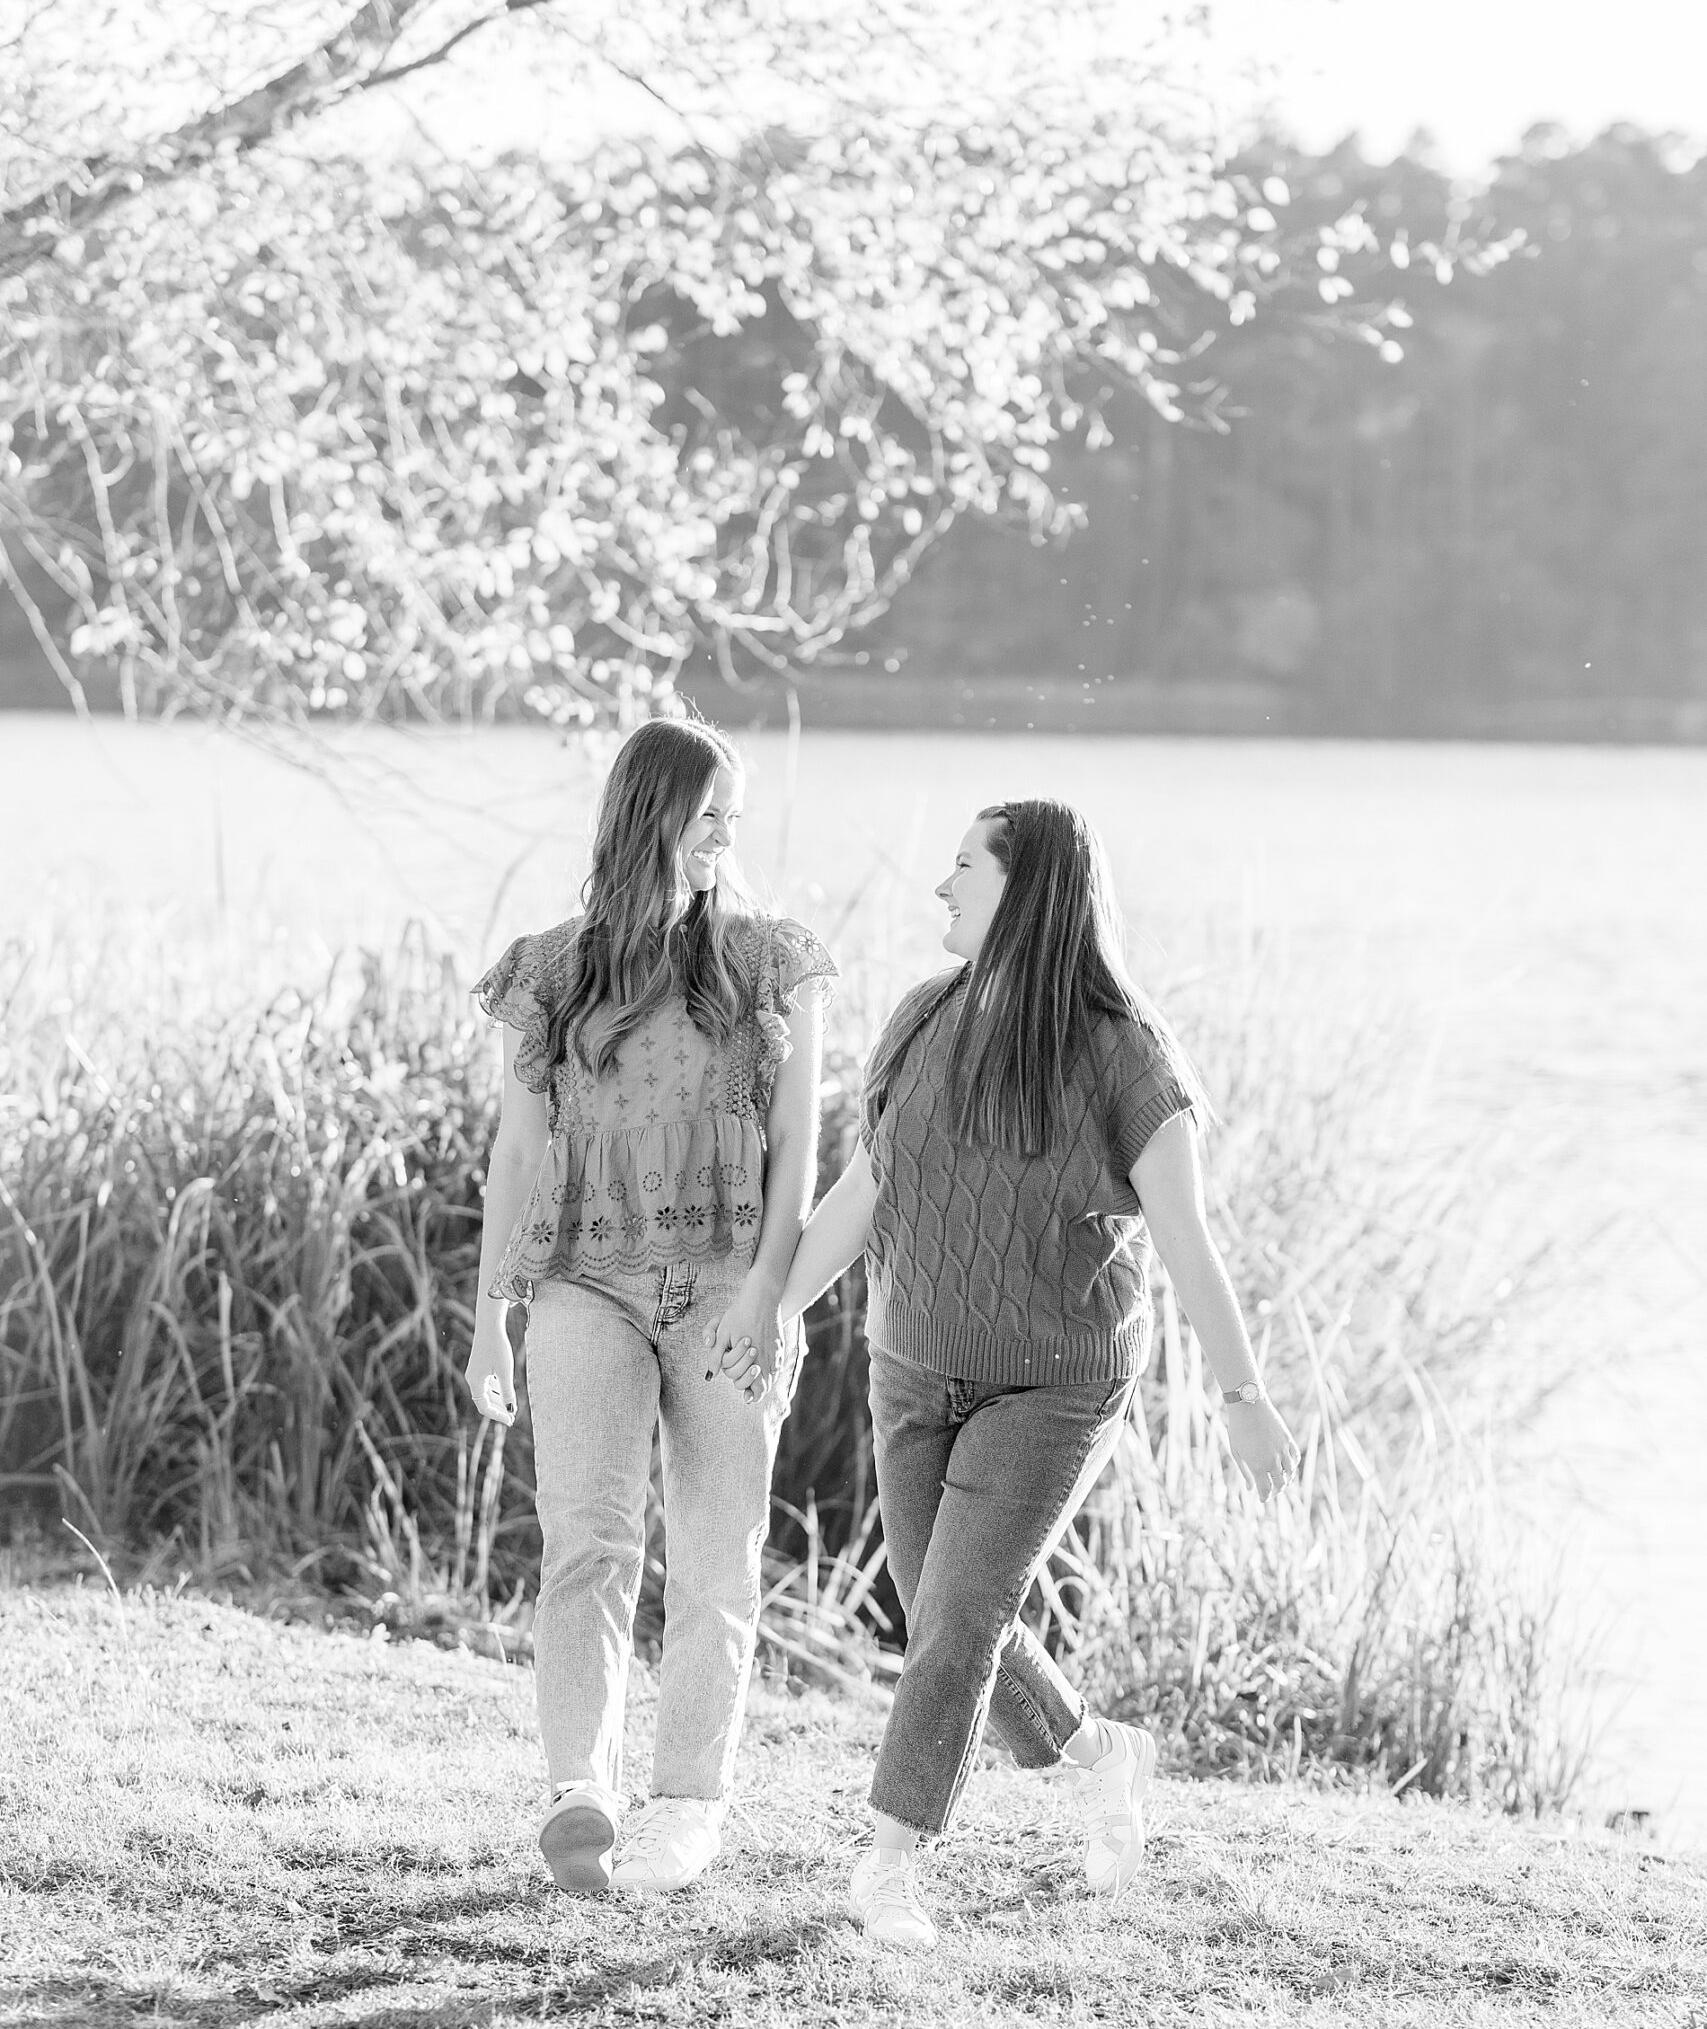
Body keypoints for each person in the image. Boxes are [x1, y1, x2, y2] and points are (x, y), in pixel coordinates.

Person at [727, 798, 1297, 1950]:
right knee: (949, 1611)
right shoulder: (921, 1018)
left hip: (1055, 1382)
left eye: (964, 866)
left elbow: (1186, 1238)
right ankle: (1104, 1753)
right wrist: (774, 1309)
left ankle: (890, 1861)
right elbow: (863, 1196)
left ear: (1026, 888)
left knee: (960, 1616)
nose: (941, 887)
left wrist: (1243, 1399)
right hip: (912, 1370)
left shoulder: (1122, 1049)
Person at [464, 712, 835, 1897]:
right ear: (651, 814)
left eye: (738, 813)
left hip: (729, 1281)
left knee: (718, 1559)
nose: (729, 832)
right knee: (588, 1543)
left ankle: (687, 1806)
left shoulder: (768, 958)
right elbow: (518, 1155)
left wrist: (773, 1293)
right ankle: (582, 1792)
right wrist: (491, 1314)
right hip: (584, 1280)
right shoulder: (554, 969)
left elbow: (800, 1141)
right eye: (710, 810)